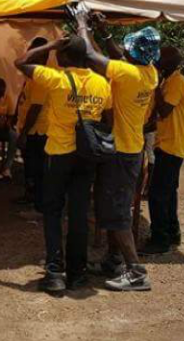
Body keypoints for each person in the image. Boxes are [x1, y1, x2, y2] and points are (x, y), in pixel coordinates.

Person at [14, 36, 112, 293]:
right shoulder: (102, 83)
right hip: (87, 155)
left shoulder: (56, 79)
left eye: (59, 53)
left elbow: (20, 62)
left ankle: (55, 272)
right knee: (79, 214)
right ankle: (77, 274)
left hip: (59, 153)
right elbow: (108, 118)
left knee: (53, 212)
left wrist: (50, 46)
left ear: (64, 56)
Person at [76, 10, 159, 292]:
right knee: (110, 209)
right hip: (128, 149)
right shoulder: (149, 73)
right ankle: (113, 259)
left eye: (128, 47)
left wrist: (82, 24)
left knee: (120, 212)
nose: (123, 50)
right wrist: (105, 30)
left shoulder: (128, 73)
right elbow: (120, 57)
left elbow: (88, 55)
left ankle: (136, 272)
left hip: (122, 152)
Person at [140, 46, 184, 255]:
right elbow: (157, 119)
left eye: (159, 58)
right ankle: (172, 232)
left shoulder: (177, 82)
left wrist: (154, 86)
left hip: (172, 145)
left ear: (169, 62)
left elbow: (165, 110)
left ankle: (160, 239)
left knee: (158, 194)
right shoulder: (168, 81)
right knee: (167, 193)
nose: (156, 61)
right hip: (166, 143)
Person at [15, 37, 51, 210]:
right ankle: (31, 197)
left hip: (38, 131)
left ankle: (39, 204)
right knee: (30, 167)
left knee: (37, 169)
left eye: (32, 52)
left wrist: (23, 133)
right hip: (31, 130)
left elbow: (35, 108)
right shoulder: (33, 76)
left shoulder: (41, 77)